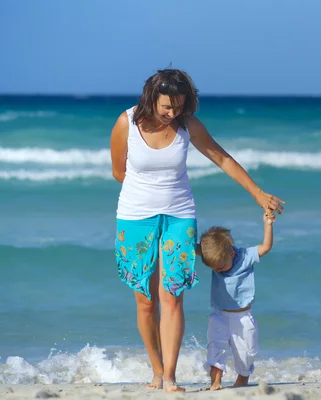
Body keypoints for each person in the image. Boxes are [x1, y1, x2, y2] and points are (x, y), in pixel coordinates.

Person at [109, 68, 284, 392]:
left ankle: (171, 377)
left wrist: (258, 193)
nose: (171, 113)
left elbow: (222, 158)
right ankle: (157, 371)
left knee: (172, 296)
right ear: (151, 98)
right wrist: (148, 194)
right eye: (166, 107)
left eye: (178, 106)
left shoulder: (188, 126)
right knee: (146, 300)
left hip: (179, 216)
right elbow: (119, 171)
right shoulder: (127, 123)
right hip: (135, 217)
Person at [198, 210, 275, 391]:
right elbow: (192, 248)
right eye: (215, 269)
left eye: (222, 267)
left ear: (232, 254)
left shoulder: (246, 257)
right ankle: (215, 382)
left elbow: (266, 247)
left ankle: (242, 378)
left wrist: (268, 224)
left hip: (243, 316)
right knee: (216, 348)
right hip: (219, 315)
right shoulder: (216, 258)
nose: (220, 271)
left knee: (247, 353)